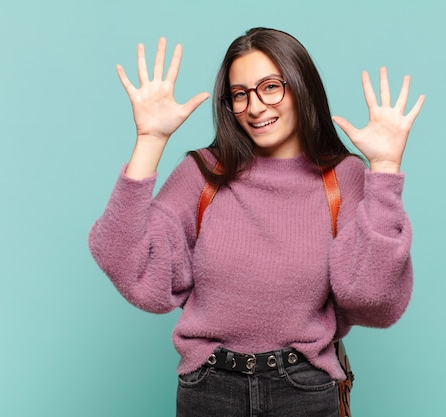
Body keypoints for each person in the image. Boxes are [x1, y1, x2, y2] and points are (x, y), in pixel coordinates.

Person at [88, 27, 425, 417]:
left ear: (301, 87)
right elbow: (123, 259)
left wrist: (384, 170)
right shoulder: (203, 173)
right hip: (209, 390)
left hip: (304, 390)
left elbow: (373, 298)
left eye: (270, 87)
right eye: (240, 94)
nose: (255, 106)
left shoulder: (342, 178)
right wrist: (149, 140)